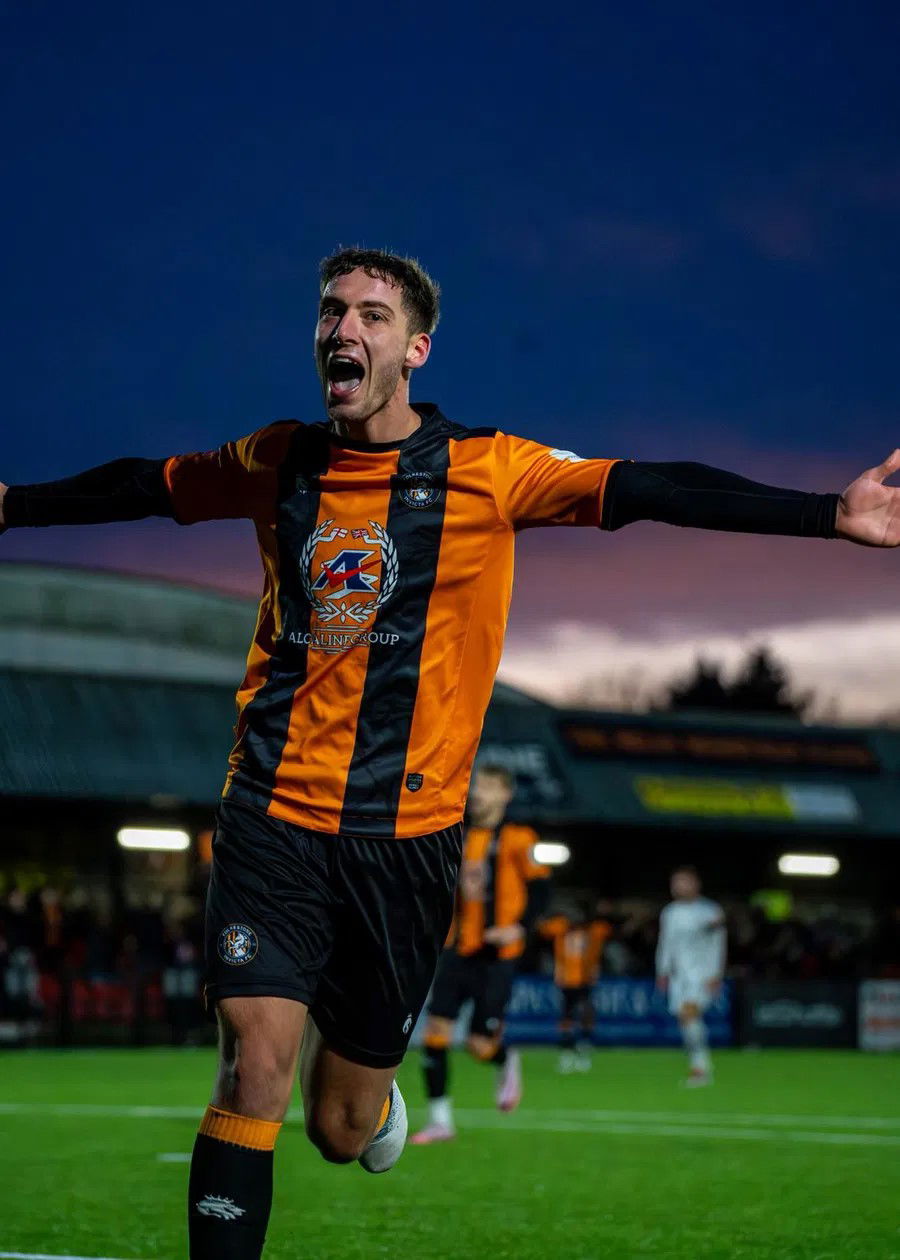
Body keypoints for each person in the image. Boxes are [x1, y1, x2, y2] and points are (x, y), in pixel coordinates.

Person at [2, 247, 900, 1258]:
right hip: (271, 815)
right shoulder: (278, 460)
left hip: (407, 842)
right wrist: (8, 505)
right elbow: (146, 486)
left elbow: (651, 488)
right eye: (332, 311)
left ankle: (370, 1097)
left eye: (372, 315)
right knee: (252, 1069)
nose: (344, 328)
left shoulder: (490, 470)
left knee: (338, 1131)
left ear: (416, 349)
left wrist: (827, 515)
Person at [409, 765, 549, 1145]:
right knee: (436, 1033)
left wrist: (519, 927)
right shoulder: (458, 834)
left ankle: (505, 1057)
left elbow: (541, 891)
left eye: (487, 786)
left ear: (505, 794)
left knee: (478, 1045)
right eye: (476, 785)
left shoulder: (519, 837)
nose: (478, 793)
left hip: (498, 954)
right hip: (457, 949)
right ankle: (440, 1121)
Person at [655, 867, 726, 1087]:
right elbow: (665, 943)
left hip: (701, 975)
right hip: (679, 976)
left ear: (695, 884)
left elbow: (719, 944)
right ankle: (700, 1065)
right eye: (675, 883)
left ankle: (700, 1069)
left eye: (683, 882)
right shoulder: (669, 912)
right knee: (686, 1019)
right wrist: (662, 971)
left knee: (689, 1014)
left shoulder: (710, 911)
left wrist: (716, 973)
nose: (678, 887)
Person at [539, 898, 613, 1072]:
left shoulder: (593, 930)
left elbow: (610, 929)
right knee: (566, 1016)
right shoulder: (561, 928)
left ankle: (584, 1048)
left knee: (586, 1013)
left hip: (586, 979)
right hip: (567, 980)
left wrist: (605, 912)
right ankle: (567, 1051)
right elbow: (542, 928)